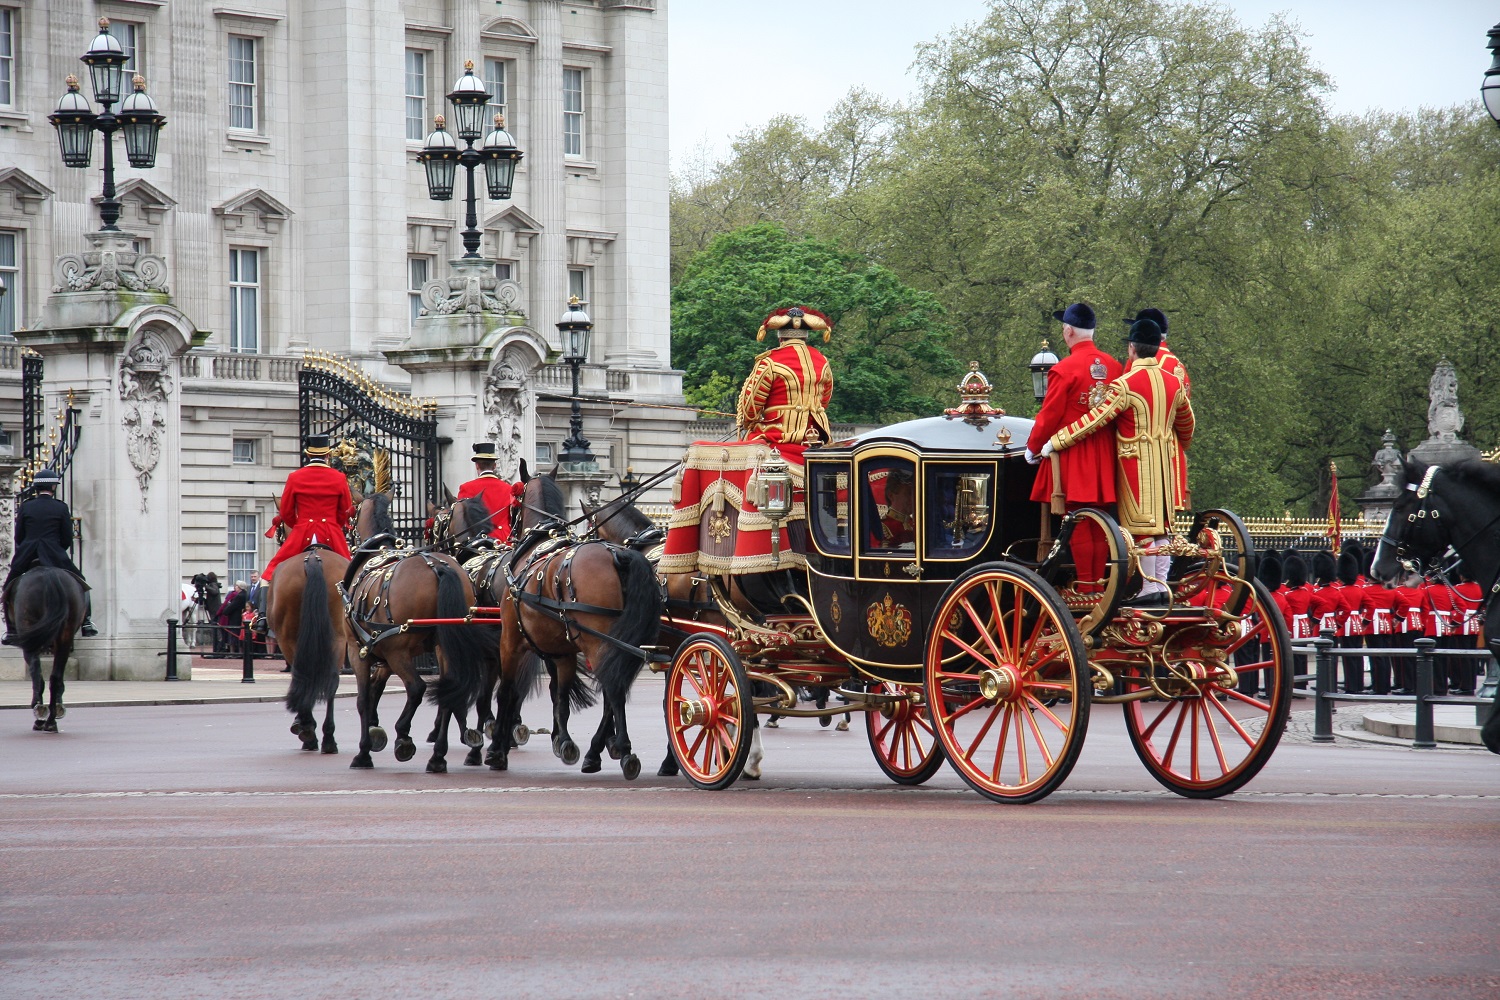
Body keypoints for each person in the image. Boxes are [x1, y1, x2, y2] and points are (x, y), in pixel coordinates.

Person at [1040, 316, 1193, 605]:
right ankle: (1160, 585)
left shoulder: (1126, 384)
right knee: (1162, 528)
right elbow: (1187, 427)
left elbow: (1092, 422)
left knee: (1140, 529)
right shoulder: (1174, 381)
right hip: (1167, 465)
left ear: (1132, 348)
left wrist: (1056, 442)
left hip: (1135, 464)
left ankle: (1149, 588)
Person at [1026, 302, 1123, 593]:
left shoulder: (1063, 369)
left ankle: (1087, 586)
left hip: (1074, 454)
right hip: (1106, 454)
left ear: (1068, 331)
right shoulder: (1114, 366)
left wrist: (1033, 447)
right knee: (1101, 522)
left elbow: (1049, 416)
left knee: (1078, 519)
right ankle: (1098, 585)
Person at [2, 469, 96, 643]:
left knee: (8, 587)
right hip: (54, 554)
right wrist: (57, 549)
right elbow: (67, 537)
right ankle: (87, 623)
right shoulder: (60, 507)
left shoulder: (26, 506)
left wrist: (26, 547)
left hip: (28, 554)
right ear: (53, 486)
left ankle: (11, 630)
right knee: (82, 584)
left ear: (36, 487)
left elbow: (19, 535)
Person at [736, 306, 835, 466]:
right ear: (805, 336)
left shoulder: (769, 361)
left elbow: (751, 408)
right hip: (817, 437)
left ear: (780, 338)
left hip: (777, 437)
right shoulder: (822, 361)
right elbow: (823, 402)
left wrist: (750, 422)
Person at [261, 434, 354, 583]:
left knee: (270, 574)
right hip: (331, 531)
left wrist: (298, 524)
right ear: (327, 455)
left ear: (308, 454)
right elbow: (345, 510)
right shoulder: (339, 477)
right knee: (351, 576)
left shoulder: (294, 477)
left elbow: (286, 512)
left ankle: (264, 603)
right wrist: (334, 524)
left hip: (302, 531)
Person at [1124, 308, 1191, 507]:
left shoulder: (1141, 360)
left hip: (1142, 451)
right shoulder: (1177, 364)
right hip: (1173, 450)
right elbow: (1185, 416)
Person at [456, 441, 514, 543]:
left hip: (478, 541)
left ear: (477, 465)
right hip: (504, 541)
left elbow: (461, 520)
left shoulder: (466, 488)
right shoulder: (508, 488)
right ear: (494, 466)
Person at [878, 467, 916, 548]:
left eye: (914, 493)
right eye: (908, 493)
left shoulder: (914, 524)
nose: (913, 498)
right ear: (891, 495)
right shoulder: (884, 528)